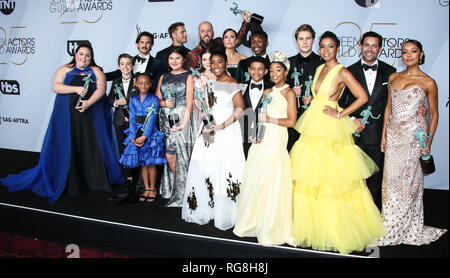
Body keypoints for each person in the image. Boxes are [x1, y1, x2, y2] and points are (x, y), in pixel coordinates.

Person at [289, 31, 385, 254]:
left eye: (330, 46)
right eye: (322, 46)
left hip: (331, 128)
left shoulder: (342, 71)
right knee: (311, 177)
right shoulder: (320, 68)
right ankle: (312, 225)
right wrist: (310, 99)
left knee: (333, 178)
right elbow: (319, 95)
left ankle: (335, 229)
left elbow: (362, 97)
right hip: (313, 123)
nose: (325, 50)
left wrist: (341, 115)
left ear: (337, 49)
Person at [0, 43, 125, 203]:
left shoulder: (96, 71)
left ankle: (93, 179)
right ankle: (69, 179)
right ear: (75, 54)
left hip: (90, 116)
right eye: (81, 54)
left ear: (91, 57)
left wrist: (88, 103)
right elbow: (56, 87)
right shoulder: (64, 69)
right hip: (66, 115)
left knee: (90, 144)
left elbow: (101, 90)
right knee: (68, 143)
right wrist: (75, 89)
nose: (84, 58)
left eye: (87, 55)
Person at [377, 40, 447, 246]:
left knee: (409, 184)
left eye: (413, 51)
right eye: (405, 52)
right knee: (390, 183)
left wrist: (429, 142)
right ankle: (388, 223)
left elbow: (434, 114)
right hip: (393, 135)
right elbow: (389, 108)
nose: (408, 55)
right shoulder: (393, 77)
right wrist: (383, 135)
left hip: (413, 138)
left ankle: (402, 228)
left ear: (421, 54)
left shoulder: (428, 82)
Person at [233, 51, 297, 246]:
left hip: (277, 142)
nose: (274, 73)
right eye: (272, 70)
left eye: (278, 70)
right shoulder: (267, 92)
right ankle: (253, 222)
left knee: (273, 183)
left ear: (286, 72)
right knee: (256, 182)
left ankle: (271, 227)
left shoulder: (289, 93)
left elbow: (292, 121)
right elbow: (259, 115)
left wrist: (269, 119)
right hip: (262, 141)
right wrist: (256, 133)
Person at [181, 41, 246, 231]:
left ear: (226, 63)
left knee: (224, 169)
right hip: (208, 128)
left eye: (220, 62)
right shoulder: (209, 82)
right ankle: (205, 209)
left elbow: (241, 109)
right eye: (213, 62)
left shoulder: (233, 84)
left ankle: (225, 213)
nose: (216, 66)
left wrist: (221, 126)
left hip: (226, 131)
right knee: (204, 166)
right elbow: (208, 106)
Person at [337, 31, 396, 210]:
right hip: (354, 134)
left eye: (374, 46)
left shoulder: (391, 72)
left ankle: (373, 215)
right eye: (366, 45)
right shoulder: (348, 72)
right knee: (352, 176)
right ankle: (354, 213)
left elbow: (394, 101)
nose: (370, 49)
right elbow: (339, 102)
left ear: (380, 48)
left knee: (375, 177)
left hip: (379, 134)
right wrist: (353, 119)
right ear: (360, 46)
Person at [155, 46, 195, 207]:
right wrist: (164, 102)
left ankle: (185, 192)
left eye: (177, 58)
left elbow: (190, 102)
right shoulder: (163, 76)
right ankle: (179, 189)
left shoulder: (188, 76)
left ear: (183, 60)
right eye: (171, 58)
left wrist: (184, 122)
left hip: (181, 118)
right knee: (170, 155)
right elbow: (156, 99)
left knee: (179, 155)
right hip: (165, 118)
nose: (174, 61)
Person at [119, 74, 166, 203]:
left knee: (150, 163)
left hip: (149, 133)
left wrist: (145, 136)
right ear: (136, 84)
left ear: (150, 85)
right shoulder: (133, 99)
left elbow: (151, 119)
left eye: (146, 83)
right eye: (140, 83)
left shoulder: (154, 99)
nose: (143, 85)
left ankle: (152, 189)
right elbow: (132, 119)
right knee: (142, 164)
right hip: (136, 133)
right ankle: (146, 188)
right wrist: (133, 137)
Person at [286, 24, 324, 151]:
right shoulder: (288, 62)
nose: (305, 42)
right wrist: (290, 91)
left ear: (313, 40)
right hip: (292, 118)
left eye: (308, 38)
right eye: (301, 39)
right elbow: (279, 88)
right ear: (296, 41)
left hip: (316, 117)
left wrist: (314, 97)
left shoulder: (322, 63)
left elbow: (329, 89)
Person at [107, 53, 139, 189]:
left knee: (136, 147)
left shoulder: (138, 80)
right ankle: (127, 177)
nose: (125, 66)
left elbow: (142, 98)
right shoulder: (115, 81)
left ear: (132, 66)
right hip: (119, 120)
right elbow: (109, 100)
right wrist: (115, 102)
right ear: (119, 66)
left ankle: (138, 176)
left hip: (135, 120)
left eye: (128, 64)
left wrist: (127, 101)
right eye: (122, 64)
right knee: (122, 149)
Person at [238, 55, 270, 158]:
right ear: (248, 70)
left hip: (264, 135)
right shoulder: (240, 86)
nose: (256, 71)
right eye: (253, 68)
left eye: (260, 69)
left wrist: (260, 134)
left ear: (265, 71)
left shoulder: (272, 89)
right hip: (243, 134)